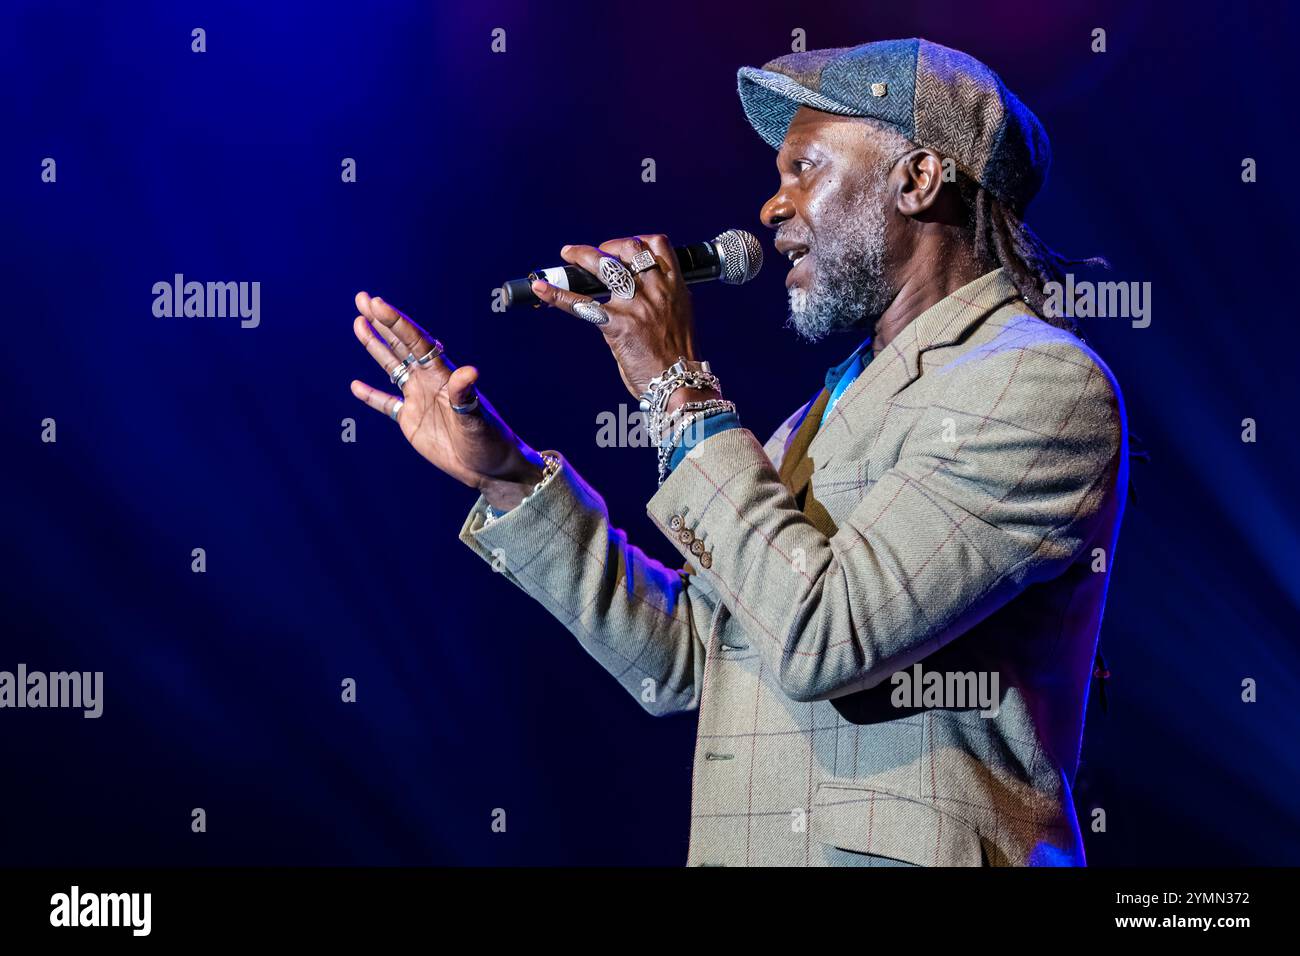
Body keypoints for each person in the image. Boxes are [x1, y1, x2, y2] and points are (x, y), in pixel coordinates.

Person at [347, 38, 1127, 867]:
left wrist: (675, 385)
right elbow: (691, 657)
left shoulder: (1036, 384)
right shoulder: (818, 417)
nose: (772, 207)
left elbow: (826, 633)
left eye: (806, 169)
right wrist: (505, 476)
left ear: (918, 179)